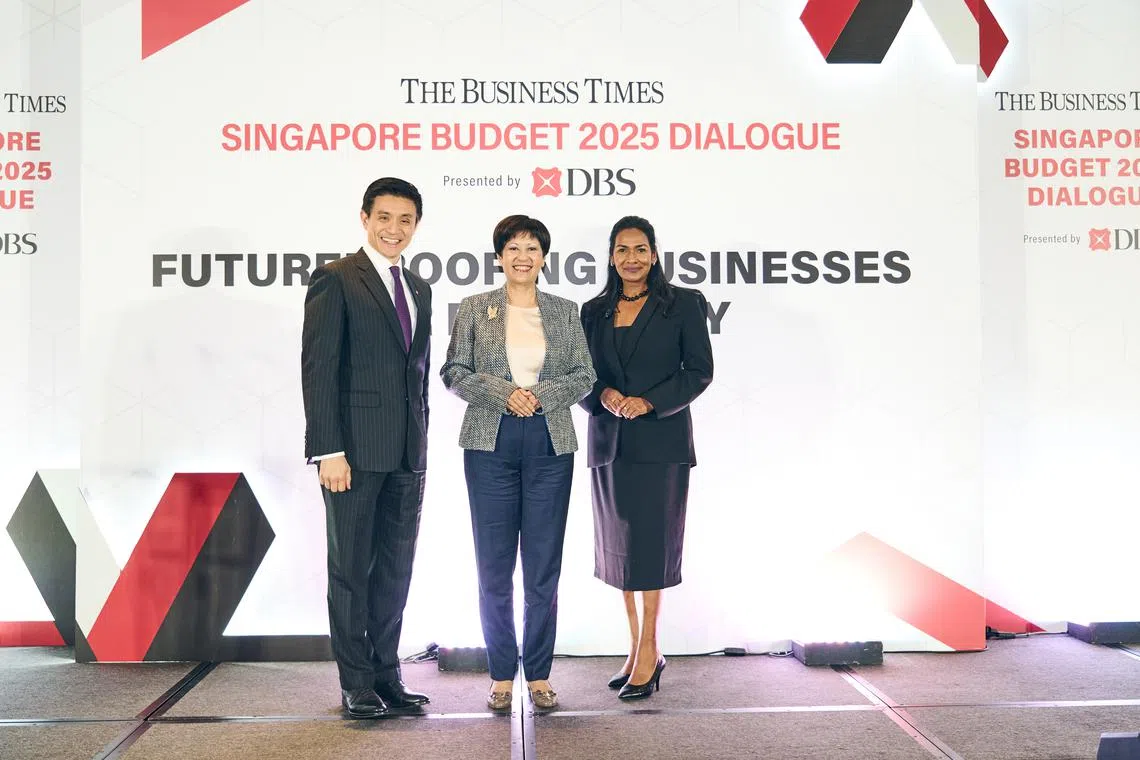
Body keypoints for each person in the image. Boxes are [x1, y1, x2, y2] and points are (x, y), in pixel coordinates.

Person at [441, 214, 596, 711]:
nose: (522, 256)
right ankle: (501, 674)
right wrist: (506, 393)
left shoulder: (565, 311)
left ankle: (540, 675)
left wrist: (539, 396)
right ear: (500, 256)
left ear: (544, 257)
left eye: (531, 248)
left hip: (550, 443)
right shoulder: (474, 308)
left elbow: (584, 375)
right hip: (490, 442)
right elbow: (453, 371)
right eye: (513, 248)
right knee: (493, 565)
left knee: (543, 568)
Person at [301, 177, 433, 719]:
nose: (394, 228)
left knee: (395, 572)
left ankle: (387, 674)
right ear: (364, 218)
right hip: (351, 456)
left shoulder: (420, 287)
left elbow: (415, 375)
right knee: (351, 571)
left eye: (405, 219)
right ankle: (355, 682)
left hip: (407, 454)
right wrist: (328, 448)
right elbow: (319, 369)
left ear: (416, 225)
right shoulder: (336, 279)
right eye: (384, 217)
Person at [579, 216, 713, 700]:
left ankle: (652, 647)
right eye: (621, 250)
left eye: (640, 249)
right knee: (620, 553)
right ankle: (636, 647)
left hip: (660, 443)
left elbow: (698, 371)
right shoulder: (592, 311)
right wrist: (606, 395)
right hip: (609, 444)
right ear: (611, 256)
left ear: (654, 254)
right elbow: (579, 375)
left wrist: (649, 401)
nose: (631, 258)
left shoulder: (683, 305)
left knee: (652, 550)